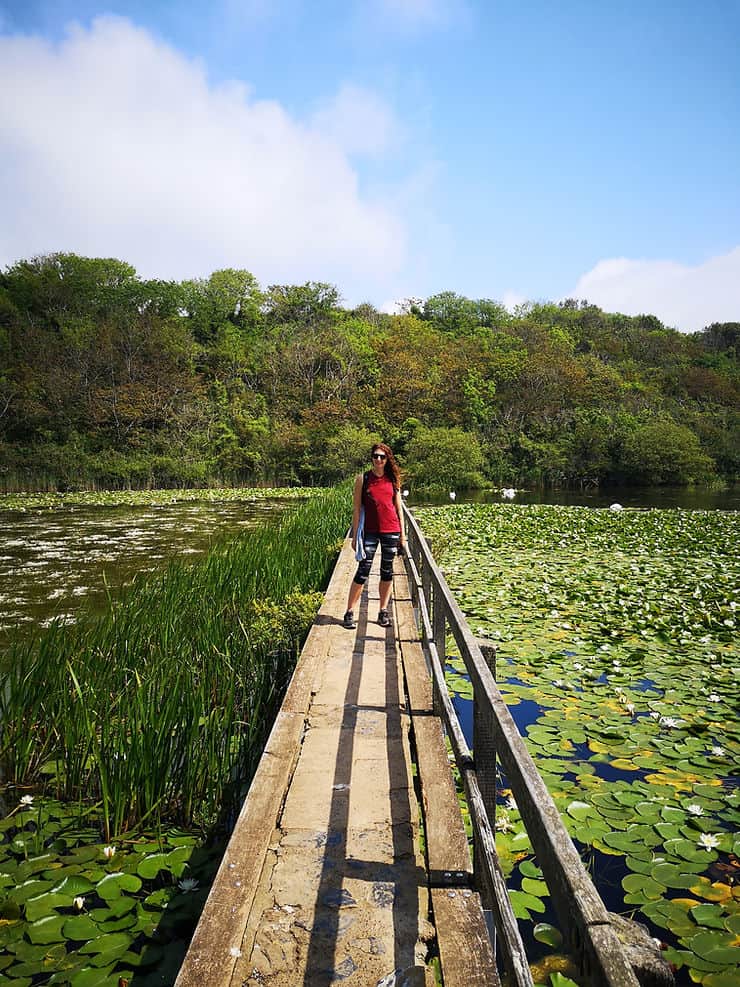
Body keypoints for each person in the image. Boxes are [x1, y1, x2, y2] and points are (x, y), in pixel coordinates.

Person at [343, 443, 406, 629]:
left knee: (387, 571)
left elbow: (398, 508)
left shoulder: (392, 480)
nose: (378, 459)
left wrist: (403, 536)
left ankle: (383, 610)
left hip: (391, 530)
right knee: (363, 570)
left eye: (382, 457)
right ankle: (349, 611)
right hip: (370, 531)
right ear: (371, 458)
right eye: (375, 456)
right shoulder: (363, 479)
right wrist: (355, 536)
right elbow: (356, 509)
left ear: (387, 459)